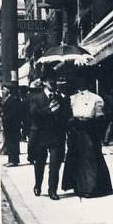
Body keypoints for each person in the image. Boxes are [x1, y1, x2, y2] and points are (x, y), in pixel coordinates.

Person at [62, 73, 113, 199]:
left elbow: (100, 118)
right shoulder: (73, 98)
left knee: (89, 159)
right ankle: (79, 185)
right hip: (77, 132)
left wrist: (87, 122)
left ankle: (89, 187)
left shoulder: (95, 98)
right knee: (79, 158)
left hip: (89, 132)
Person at [29, 68, 71, 200]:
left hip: (56, 136)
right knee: (40, 163)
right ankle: (38, 184)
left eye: (54, 79)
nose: (52, 82)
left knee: (55, 164)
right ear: (43, 82)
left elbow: (66, 115)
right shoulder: (36, 98)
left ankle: (52, 190)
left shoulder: (61, 97)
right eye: (49, 80)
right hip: (41, 136)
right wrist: (49, 110)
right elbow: (33, 114)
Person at [0, 82, 22, 167]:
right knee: (9, 142)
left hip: (12, 124)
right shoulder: (8, 98)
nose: (3, 91)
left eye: (4, 89)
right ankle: (11, 159)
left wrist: (6, 117)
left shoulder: (14, 99)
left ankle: (13, 160)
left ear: (8, 90)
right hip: (8, 124)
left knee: (13, 142)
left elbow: (14, 113)